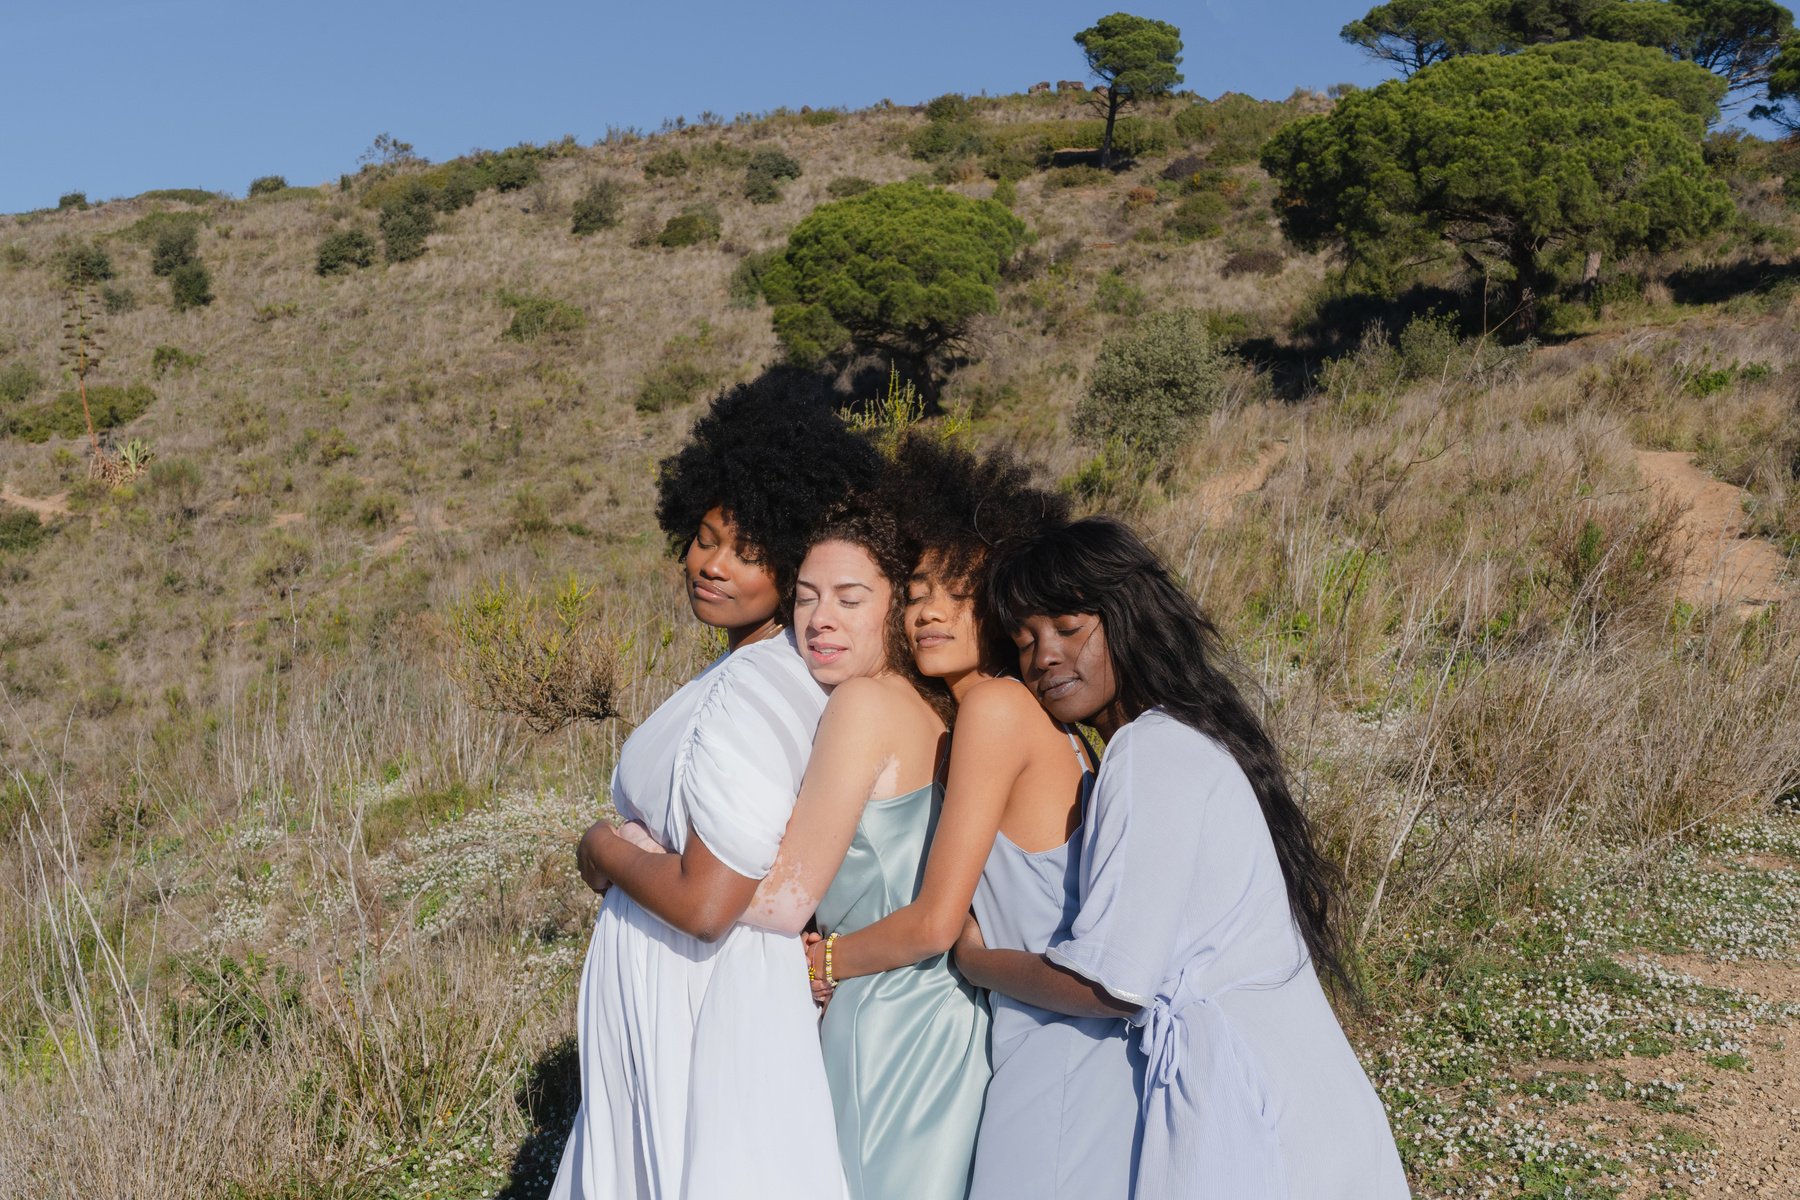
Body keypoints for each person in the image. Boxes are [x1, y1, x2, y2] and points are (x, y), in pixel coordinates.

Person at [955, 516, 1410, 1200]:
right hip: (1299, 1085)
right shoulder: (1183, 736)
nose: (1044, 656)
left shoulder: (1149, 751)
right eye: (1025, 641)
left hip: (1251, 1102)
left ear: (1126, 616)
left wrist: (973, 960)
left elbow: (1112, 986)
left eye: (1068, 628)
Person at [778, 436, 1136, 1199]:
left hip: (1009, 1029)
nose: (928, 612)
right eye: (913, 594)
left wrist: (819, 963)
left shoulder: (997, 709)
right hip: (1014, 1021)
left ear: (1003, 603)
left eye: (959, 593)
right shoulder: (1010, 717)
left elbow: (937, 924)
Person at [551, 381, 878, 1200]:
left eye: (747, 551)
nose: (711, 565)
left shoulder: (754, 687)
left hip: (699, 994)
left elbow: (707, 901)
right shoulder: (751, 669)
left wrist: (599, 850)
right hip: (684, 990)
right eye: (703, 538)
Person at [734, 499, 991, 1200]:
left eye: (851, 599)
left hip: (887, 1020)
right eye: (807, 599)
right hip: (947, 1013)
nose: (821, 619)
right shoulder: (928, 707)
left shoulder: (862, 706)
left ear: (893, 611)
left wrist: (640, 860)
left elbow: (778, 899)